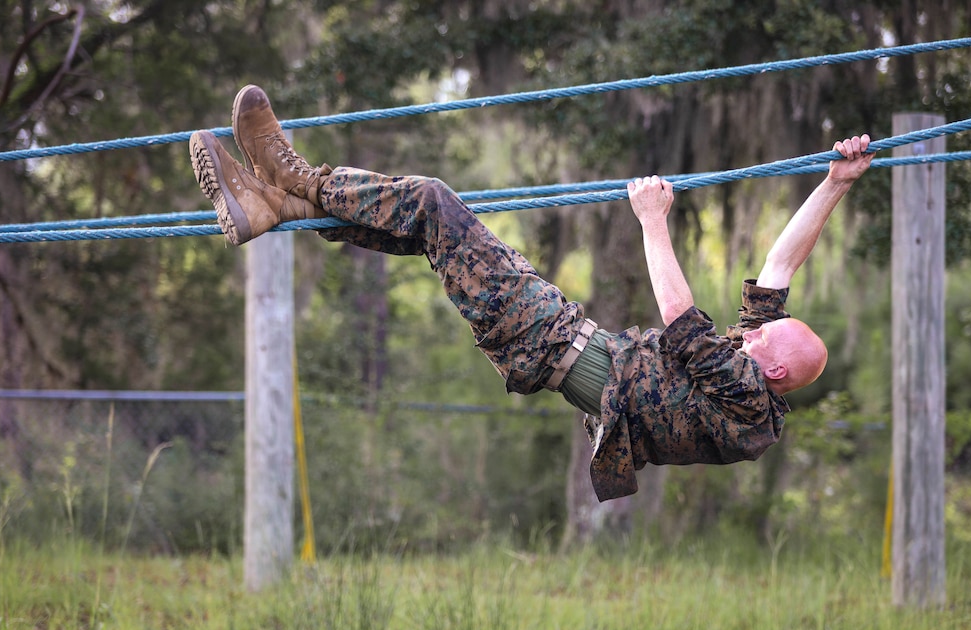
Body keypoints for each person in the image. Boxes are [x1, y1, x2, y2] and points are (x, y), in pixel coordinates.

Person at [189, 85, 873, 502]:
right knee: (431, 231)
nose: (749, 331)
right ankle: (277, 204)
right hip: (557, 333)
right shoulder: (754, 373)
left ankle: (296, 177)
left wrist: (654, 222)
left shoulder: (749, 399)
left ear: (775, 370)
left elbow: (681, 319)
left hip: (548, 341)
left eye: (760, 340)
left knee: (431, 200)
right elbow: (781, 264)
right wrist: (836, 185)